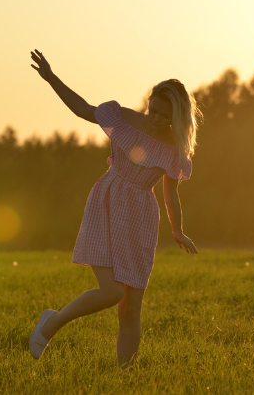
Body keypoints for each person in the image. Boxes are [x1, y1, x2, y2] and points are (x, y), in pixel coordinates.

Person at [27, 49, 200, 367]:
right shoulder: (122, 118)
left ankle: (125, 376)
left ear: (177, 116)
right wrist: (51, 77)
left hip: (141, 215)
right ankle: (50, 324)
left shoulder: (175, 150)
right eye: (154, 110)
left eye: (165, 115)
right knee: (111, 292)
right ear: (148, 103)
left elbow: (170, 193)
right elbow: (81, 109)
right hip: (108, 201)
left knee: (131, 307)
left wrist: (177, 230)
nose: (157, 119)